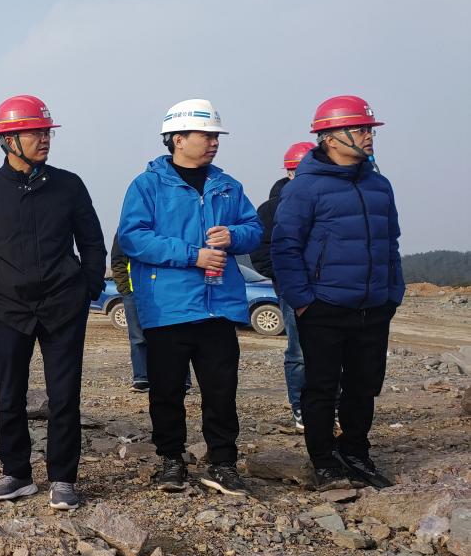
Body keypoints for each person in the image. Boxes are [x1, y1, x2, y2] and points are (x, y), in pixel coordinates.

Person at [0, 95, 105, 510]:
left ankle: (63, 478)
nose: (44, 139)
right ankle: (17, 473)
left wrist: (88, 287)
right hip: (5, 309)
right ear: (8, 140)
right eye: (35, 132)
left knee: (64, 395)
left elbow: (92, 241)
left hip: (63, 305)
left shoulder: (69, 186)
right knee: (10, 394)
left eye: (46, 132)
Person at [117, 99, 261, 498]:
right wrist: (192, 255)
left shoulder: (228, 186)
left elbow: (254, 229)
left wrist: (234, 235)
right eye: (206, 135)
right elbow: (133, 237)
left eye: (216, 136)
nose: (214, 142)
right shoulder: (147, 185)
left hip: (218, 306)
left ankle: (223, 463)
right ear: (177, 138)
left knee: (221, 391)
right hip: (168, 308)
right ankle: (171, 460)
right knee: (166, 391)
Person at [271, 96, 401, 492]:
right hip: (324, 307)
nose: (369, 135)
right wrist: (303, 302)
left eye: (370, 128)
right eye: (360, 128)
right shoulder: (305, 188)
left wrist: (393, 293)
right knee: (322, 387)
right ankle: (324, 460)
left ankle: (356, 452)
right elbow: (285, 247)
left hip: (374, 307)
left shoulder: (379, 185)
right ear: (330, 137)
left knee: (365, 385)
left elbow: (391, 243)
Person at [251, 141, 316, 430]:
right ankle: (301, 407)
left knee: (335, 352)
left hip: (329, 289)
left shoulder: (327, 202)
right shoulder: (270, 210)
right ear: (290, 173)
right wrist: (287, 280)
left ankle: (332, 406)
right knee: (299, 352)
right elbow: (261, 255)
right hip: (293, 291)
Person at [109, 235, 147, 392]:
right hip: (133, 293)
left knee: (171, 334)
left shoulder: (163, 224)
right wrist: (125, 290)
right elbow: (117, 262)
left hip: (163, 291)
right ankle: (142, 379)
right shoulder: (126, 229)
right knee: (138, 338)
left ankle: (181, 380)